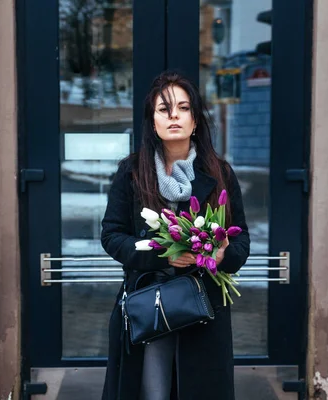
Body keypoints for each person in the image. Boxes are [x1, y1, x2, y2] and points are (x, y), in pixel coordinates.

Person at [100, 70, 250, 400]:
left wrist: (222, 255)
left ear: (195, 120)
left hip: (203, 307)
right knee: (150, 392)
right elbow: (112, 236)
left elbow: (241, 242)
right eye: (164, 109)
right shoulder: (131, 172)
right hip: (148, 304)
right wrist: (161, 253)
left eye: (183, 108)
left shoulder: (219, 173)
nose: (174, 116)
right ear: (151, 121)